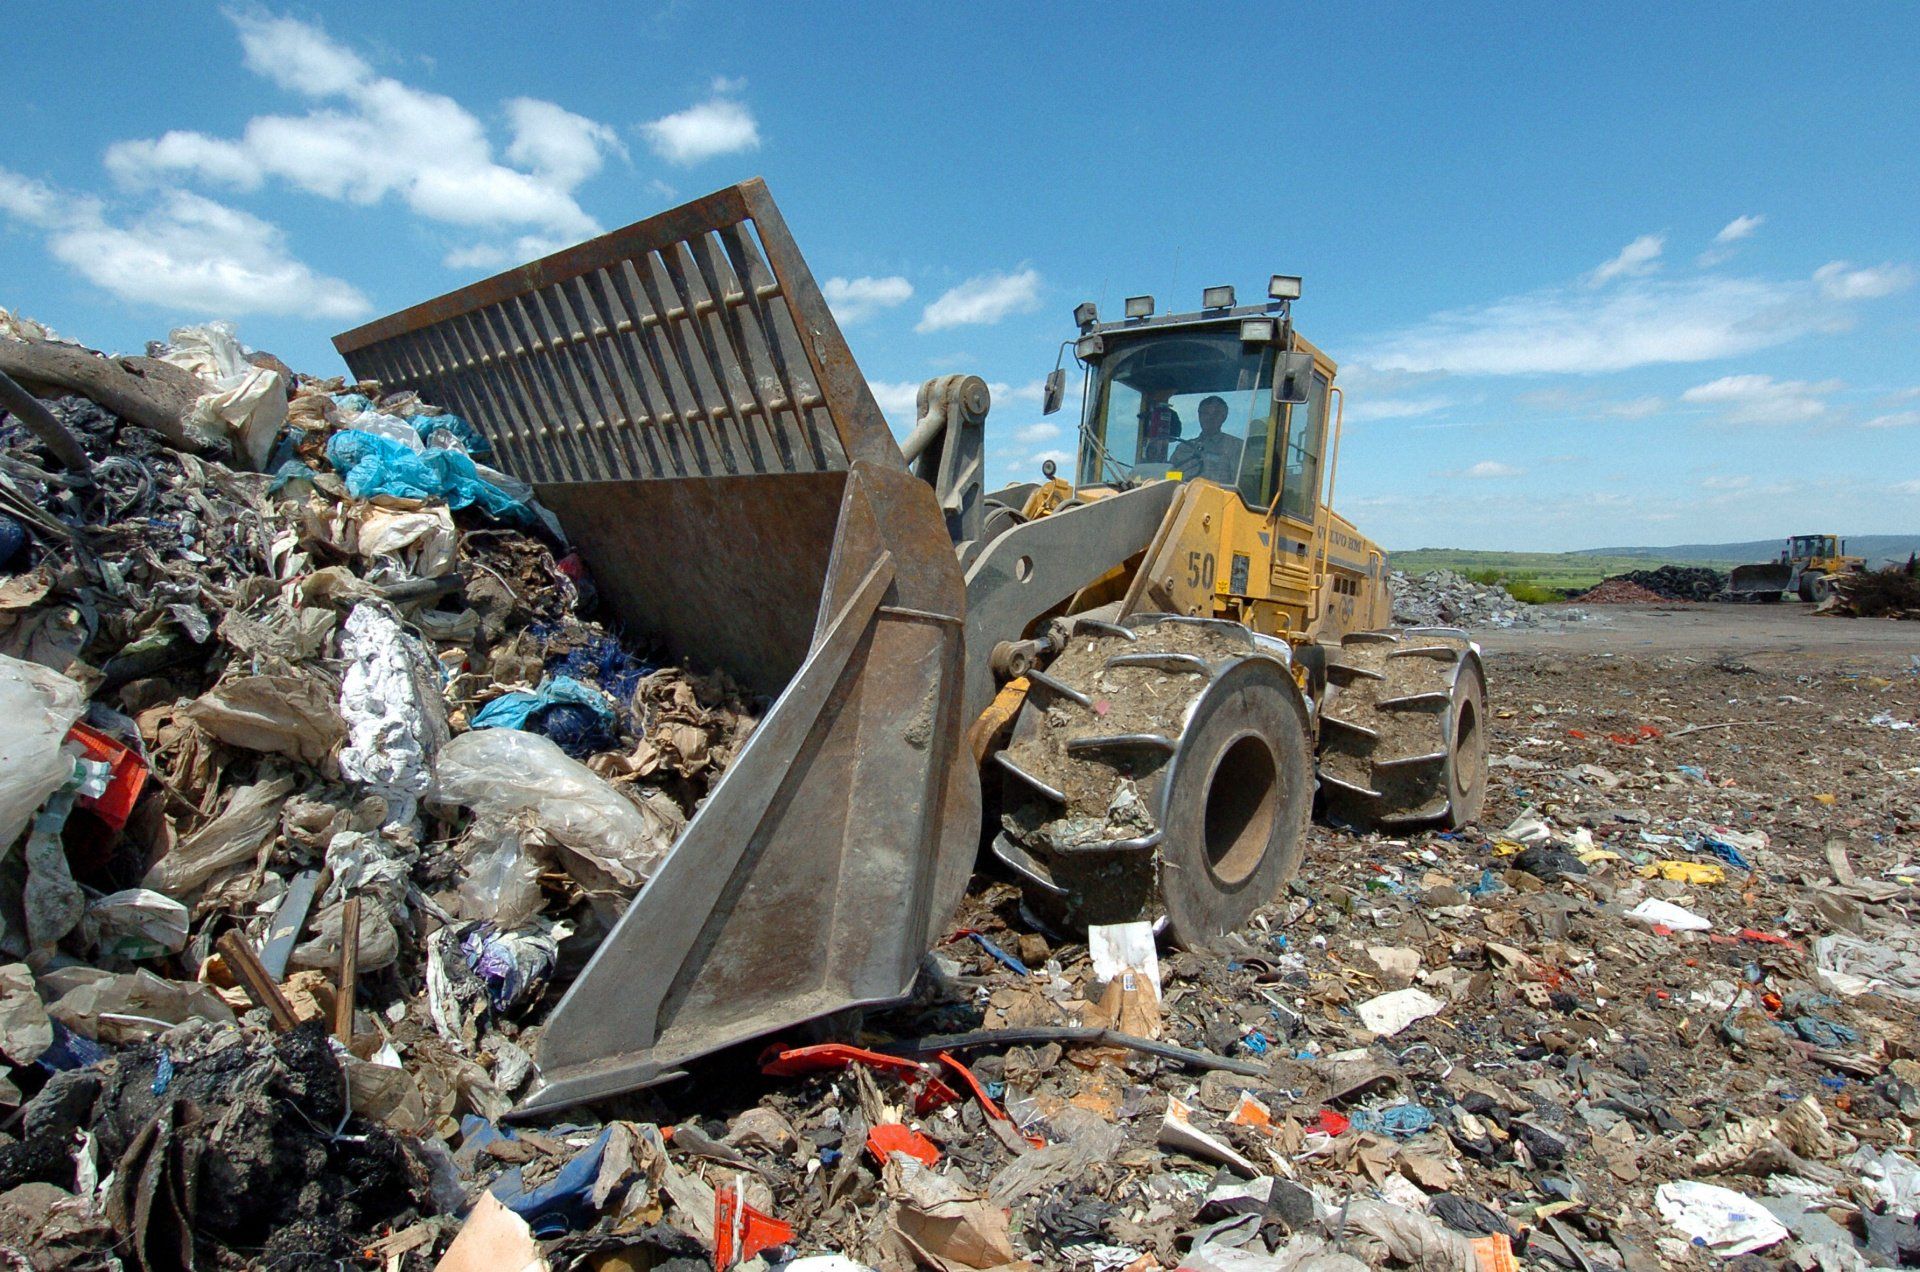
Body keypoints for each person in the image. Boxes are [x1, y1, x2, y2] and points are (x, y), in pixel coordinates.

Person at [1168, 395, 1242, 485]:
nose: (1210, 418)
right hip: (1183, 497)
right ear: (1199, 415)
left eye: (1216, 414)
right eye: (1205, 413)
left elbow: (1242, 485)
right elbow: (1171, 480)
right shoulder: (1183, 448)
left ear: (1224, 417)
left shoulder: (1236, 447)